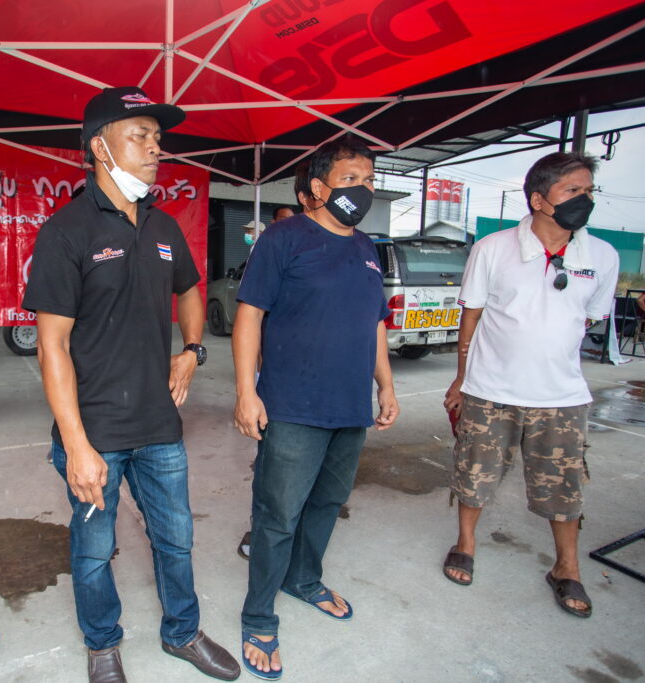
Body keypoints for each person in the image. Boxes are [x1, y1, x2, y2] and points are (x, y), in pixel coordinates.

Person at [23, 86, 239, 683]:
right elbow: (51, 346)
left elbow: (190, 289)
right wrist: (76, 445)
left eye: (157, 138)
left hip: (159, 425)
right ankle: (102, 645)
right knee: (94, 552)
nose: (154, 148)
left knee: (177, 539)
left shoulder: (163, 225)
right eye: (139, 136)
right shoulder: (66, 231)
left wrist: (191, 351)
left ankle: (183, 632)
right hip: (94, 431)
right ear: (100, 147)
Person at [233, 135, 399, 679]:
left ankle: (303, 580)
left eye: (369, 180)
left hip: (350, 408)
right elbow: (249, 316)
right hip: (293, 407)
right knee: (277, 516)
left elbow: (375, 323)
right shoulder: (284, 238)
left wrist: (386, 386)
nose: (363, 188)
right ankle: (259, 615)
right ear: (318, 188)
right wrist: (246, 391)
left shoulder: (366, 248)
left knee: (326, 504)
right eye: (351, 179)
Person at [442, 152, 619, 620]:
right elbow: (471, 316)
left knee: (564, 487)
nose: (584, 199)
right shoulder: (493, 248)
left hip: (562, 397)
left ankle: (566, 567)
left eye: (588, 191)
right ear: (539, 200)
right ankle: (466, 543)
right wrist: (461, 377)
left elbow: (589, 318)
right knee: (474, 475)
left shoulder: (602, 256)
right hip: (490, 391)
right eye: (573, 191)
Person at [236, 165, 311, 561]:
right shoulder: (269, 249)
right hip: (274, 374)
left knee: (304, 473)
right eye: (279, 221)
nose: (285, 226)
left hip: (308, 377)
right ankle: (261, 530)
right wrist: (249, 387)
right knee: (273, 468)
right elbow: (252, 317)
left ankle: (293, 536)